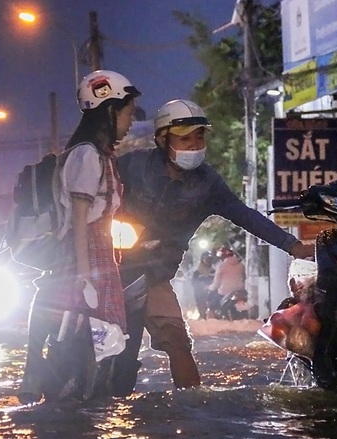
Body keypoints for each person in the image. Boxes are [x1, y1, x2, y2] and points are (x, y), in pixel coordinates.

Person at [112, 99, 314, 394]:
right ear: (161, 139)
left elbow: (245, 215)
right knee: (92, 340)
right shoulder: (133, 165)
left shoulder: (207, 183)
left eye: (198, 136)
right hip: (107, 269)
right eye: (184, 138)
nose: (193, 145)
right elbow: (95, 192)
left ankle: (194, 410)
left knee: (177, 341)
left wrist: (292, 245)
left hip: (154, 276)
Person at [17, 69, 141, 403]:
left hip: (95, 253)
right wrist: (85, 276)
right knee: (82, 337)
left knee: (94, 340)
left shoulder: (101, 155)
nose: (131, 122)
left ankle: (78, 403)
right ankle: (62, 401)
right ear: (110, 110)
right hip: (85, 253)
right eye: (128, 113)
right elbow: (81, 219)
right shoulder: (87, 155)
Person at [207, 246, 246, 319]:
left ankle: (218, 316)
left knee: (213, 301)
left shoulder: (221, 266)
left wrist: (210, 288)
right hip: (240, 291)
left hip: (225, 292)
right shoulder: (241, 265)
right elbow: (244, 277)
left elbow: (216, 283)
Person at [191, 251, 216, 319]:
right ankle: (202, 316)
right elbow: (193, 283)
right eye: (207, 259)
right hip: (201, 294)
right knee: (200, 302)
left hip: (211, 293)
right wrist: (201, 287)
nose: (208, 261)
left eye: (210, 260)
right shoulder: (197, 272)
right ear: (202, 260)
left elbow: (216, 282)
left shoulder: (213, 271)